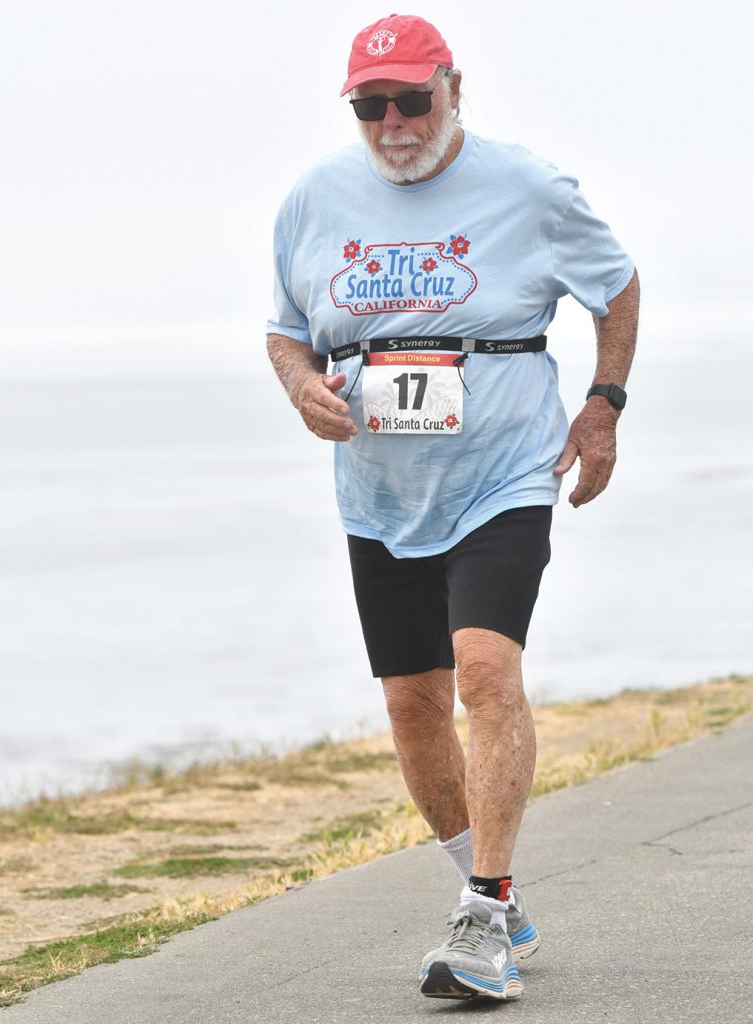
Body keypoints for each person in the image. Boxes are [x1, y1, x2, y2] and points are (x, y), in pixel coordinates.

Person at [266, 13, 639, 1003]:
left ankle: (480, 916)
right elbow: (284, 332)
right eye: (369, 105)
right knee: (412, 706)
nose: (391, 122)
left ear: (452, 89)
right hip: (379, 490)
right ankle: (493, 889)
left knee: (484, 670)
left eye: (409, 99)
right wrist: (301, 385)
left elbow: (615, 287)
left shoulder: (526, 186)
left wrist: (600, 408)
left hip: (501, 473)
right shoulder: (313, 198)